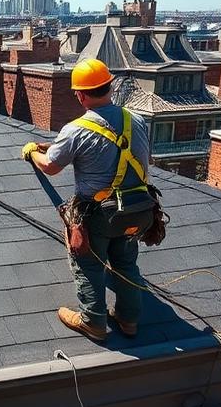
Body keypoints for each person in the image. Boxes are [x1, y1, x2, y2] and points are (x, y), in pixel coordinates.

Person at [22, 58, 155, 343]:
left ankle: (93, 321)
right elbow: (138, 157)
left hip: (100, 215)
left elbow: (51, 167)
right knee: (126, 263)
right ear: (109, 87)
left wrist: (33, 151)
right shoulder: (138, 120)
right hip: (138, 210)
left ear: (81, 95)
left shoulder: (76, 129)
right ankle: (129, 320)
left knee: (89, 264)